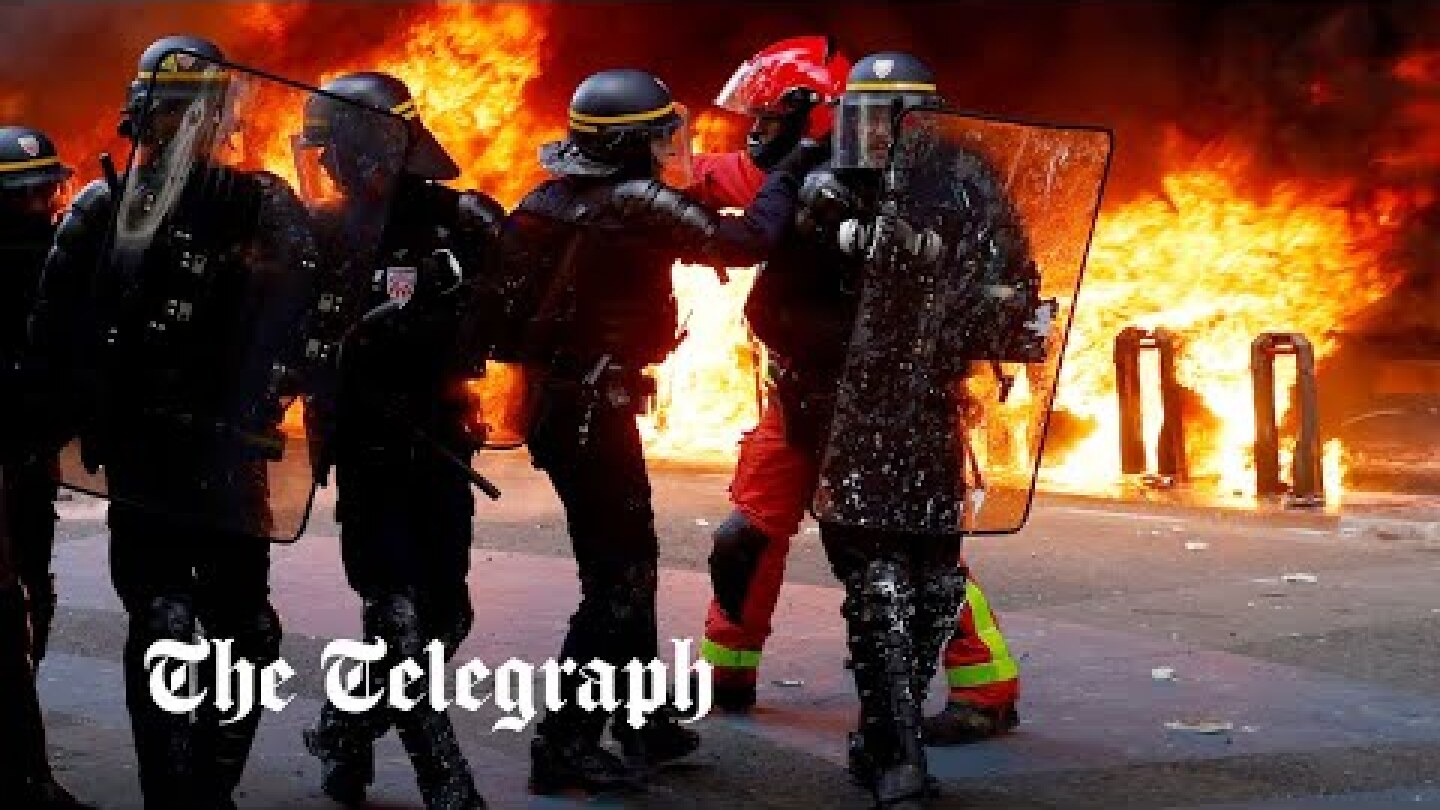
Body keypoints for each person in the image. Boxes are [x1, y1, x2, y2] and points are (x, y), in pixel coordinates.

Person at [495, 67, 821, 795]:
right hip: (588, 412)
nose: (674, 148)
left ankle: (640, 718)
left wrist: (768, 155)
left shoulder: (558, 195)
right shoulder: (631, 202)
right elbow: (746, 242)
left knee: (628, 560)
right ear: (635, 145)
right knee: (617, 577)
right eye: (662, 136)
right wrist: (796, 166)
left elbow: (690, 202)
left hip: (566, 404)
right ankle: (565, 743)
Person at [692, 37, 1021, 746]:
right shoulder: (811, 169)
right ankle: (727, 669)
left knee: (921, 551)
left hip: (901, 401)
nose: (883, 134)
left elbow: (1008, 279)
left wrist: (942, 266)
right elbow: (752, 239)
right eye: (871, 118)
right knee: (747, 534)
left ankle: (986, 688)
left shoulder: (965, 181)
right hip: (803, 390)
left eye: (899, 119)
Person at [27, 35, 319, 810]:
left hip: (233, 457)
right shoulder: (99, 210)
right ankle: (170, 795)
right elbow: (54, 338)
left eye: (199, 113)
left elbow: (315, 313)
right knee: (161, 621)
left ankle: (212, 786)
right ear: (142, 118)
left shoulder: (262, 205)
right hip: (146, 457)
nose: (186, 129)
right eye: (172, 114)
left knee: (245, 630)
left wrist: (288, 375)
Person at [296, 71, 503, 810]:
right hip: (366, 451)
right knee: (399, 619)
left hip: (442, 447)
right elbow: (287, 334)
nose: (322, 166)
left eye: (332, 151)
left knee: (448, 615)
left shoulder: (464, 222)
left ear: (369, 149)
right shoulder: (319, 231)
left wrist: (456, 312)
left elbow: (519, 313)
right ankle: (446, 783)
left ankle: (346, 728)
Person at [0, 124, 93, 810]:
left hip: (28, 465)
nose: (37, 209)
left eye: (42, 193)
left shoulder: (70, 265)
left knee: (31, 599)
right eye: (20, 197)